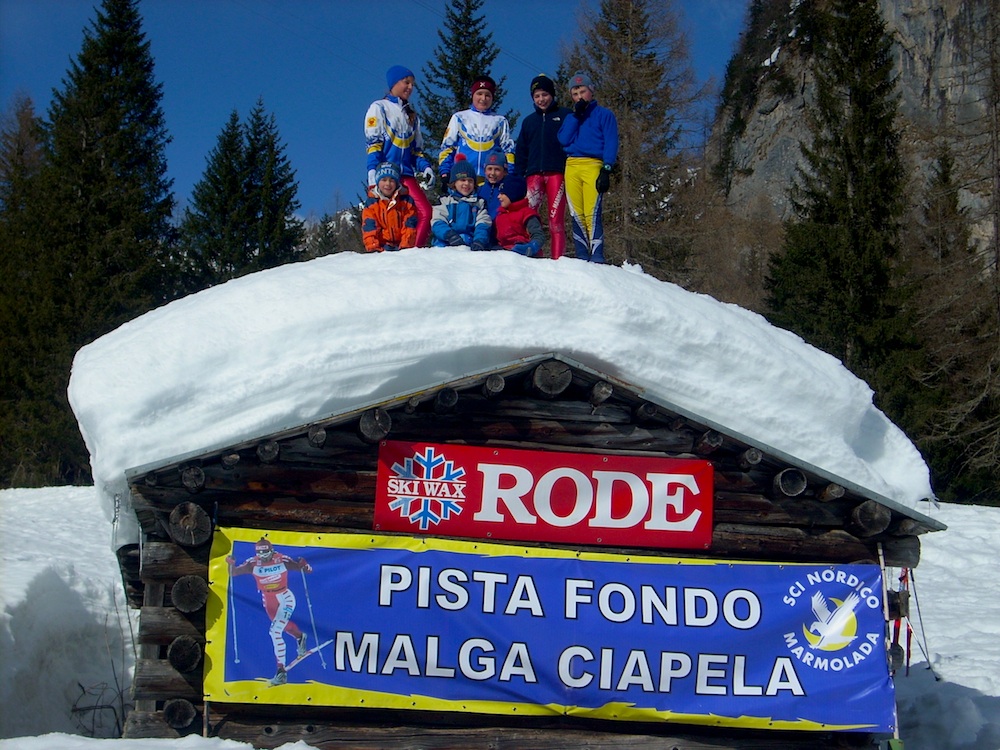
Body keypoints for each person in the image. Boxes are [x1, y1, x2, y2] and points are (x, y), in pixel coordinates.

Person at [365, 65, 435, 246]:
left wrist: (425, 167)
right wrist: (373, 172)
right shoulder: (379, 108)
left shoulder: (412, 116)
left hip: (406, 175)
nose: (410, 87)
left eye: (412, 84)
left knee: (425, 212)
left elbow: (415, 151)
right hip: (387, 175)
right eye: (407, 82)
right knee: (385, 216)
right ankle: (381, 251)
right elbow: (374, 144)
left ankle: (412, 251)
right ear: (394, 83)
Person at [227, 537, 313, 686]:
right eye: (260, 553)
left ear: (271, 550)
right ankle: (300, 637)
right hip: (268, 600)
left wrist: (304, 565)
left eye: (265, 552)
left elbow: (301, 568)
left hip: (284, 597)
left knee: (275, 631)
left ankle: (281, 672)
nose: (263, 556)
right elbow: (233, 573)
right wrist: (231, 564)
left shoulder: (281, 559)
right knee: (283, 627)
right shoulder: (253, 563)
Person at [557, 71, 619, 263]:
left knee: (592, 211)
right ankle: (582, 253)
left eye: (582, 92)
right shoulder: (571, 117)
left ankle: (597, 254)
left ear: (591, 90)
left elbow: (611, 141)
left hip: (593, 164)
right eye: (575, 94)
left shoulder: (604, 115)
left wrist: (607, 168)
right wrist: (576, 116)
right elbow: (563, 139)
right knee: (576, 211)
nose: (579, 97)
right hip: (572, 165)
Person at [514, 74, 571, 259]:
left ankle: (558, 259)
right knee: (529, 215)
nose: (541, 99)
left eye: (544, 94)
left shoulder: (564, 115)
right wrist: (518, 175)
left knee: (555, 219)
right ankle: (531, 253)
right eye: (537, 96)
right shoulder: (529, 121)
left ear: (552, 94)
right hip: (533, 175)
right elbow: (521, 150)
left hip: (557, 173)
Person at [438, 75, 515, 184]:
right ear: (472, 95)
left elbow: (508, 150)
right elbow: (447, 147)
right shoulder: (459, 117)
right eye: (479, 94)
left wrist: (509, 174)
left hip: (490, 179)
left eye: (487, 95)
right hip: (464, 178)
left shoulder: (500, 121)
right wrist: (445, 172)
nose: (483, 99)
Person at [431, 155, 491, 250]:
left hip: (469, 240)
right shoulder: (445, 201)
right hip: (447, 239)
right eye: (462, 180)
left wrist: (479, 240)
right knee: (439, 247)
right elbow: (438, 221)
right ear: (454, 182)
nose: (466, 184)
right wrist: (449, 235)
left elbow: (483, 223)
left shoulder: (479, 203)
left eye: (470, 181)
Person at [361, 161, 418, 252]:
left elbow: (409, 225)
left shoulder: (406, 201)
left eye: (392, 180)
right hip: (382, 246)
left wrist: (406, 247)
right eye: (384, 180)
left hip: (402, 245)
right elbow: (369, 226)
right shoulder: (372, 203)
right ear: (378, 181)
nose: (387, 184)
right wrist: (373, 248)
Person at [493, 173, 544, 257]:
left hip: (525, 254)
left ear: (512, 194)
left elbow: (538, 235)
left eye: (502, 193)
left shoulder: (527, 214)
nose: (498, 196)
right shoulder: (500, 215)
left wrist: (531, 247)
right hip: (505, 253)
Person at [476, 149, 507, 246]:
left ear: (505, 171)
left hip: (500, 236)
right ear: (484, 170)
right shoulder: (479, 190)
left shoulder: (507, 190)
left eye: (497, 169)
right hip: (482, 234)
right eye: (489, 169)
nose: (492, 173)